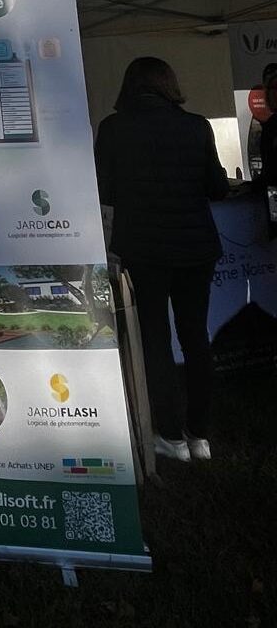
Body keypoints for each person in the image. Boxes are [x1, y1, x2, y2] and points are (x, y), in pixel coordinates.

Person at [94, 57, 229, 462]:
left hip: (144, 251)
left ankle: (170, 436)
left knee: (155, 340)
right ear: (169, 85)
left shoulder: (113, 128)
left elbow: (104, 190)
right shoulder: (197, 126)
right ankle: (199, 435)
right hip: (196, 248)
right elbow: (217, 187)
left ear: (128, 86)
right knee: (196, 337)